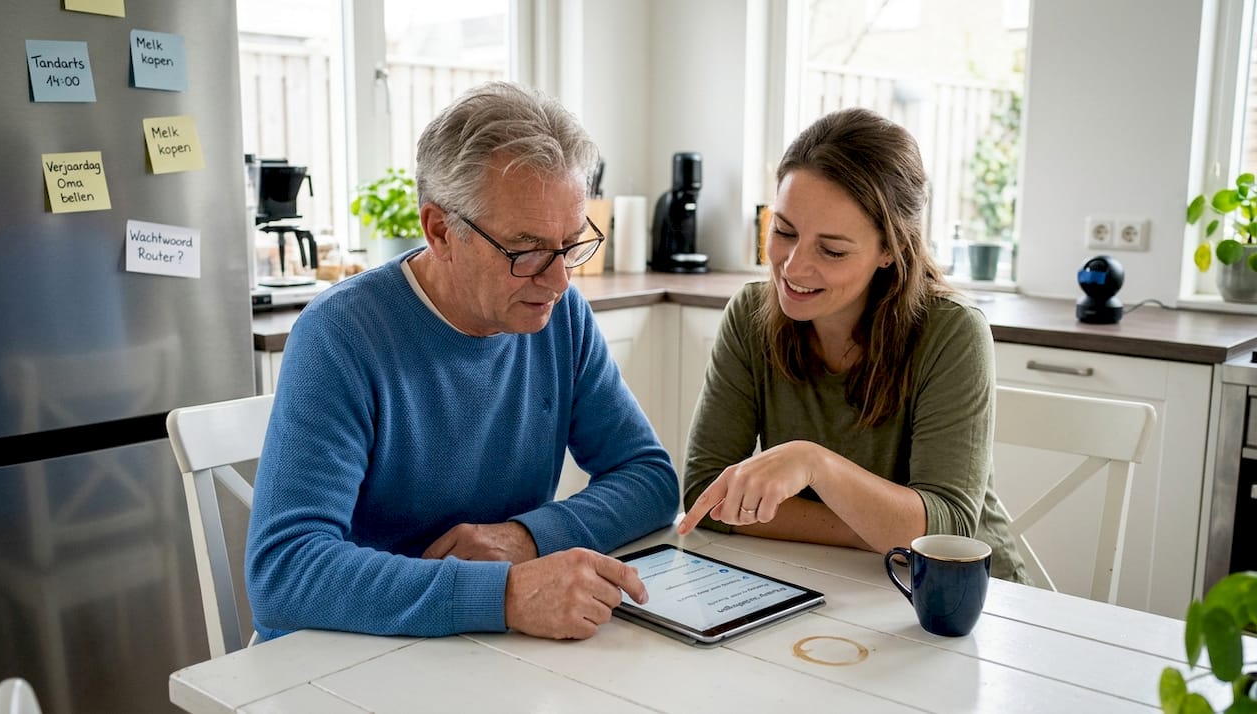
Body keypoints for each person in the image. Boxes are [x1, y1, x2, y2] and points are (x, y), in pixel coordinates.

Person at [246, 81, 680, 643]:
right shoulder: (342, 336)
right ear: (440, 231)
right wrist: (505, 594)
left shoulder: (560, 314)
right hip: (350, 653)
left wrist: (525, 538)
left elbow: (650, 479)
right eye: (525, 250)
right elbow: (285, 571)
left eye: (571, 243)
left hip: (485, 648)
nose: (558, 279)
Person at [677, 107, 1028, 583]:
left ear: (891, 250)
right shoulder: (750, 315)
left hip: (961, 602)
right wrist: (885, 528)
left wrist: (814, 464)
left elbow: (949, 528)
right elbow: (708, 497)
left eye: (832, 250)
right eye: (783, 231)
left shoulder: (952, 333)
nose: (794, 267)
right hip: (829, 582)